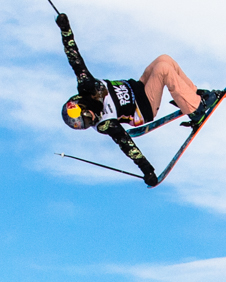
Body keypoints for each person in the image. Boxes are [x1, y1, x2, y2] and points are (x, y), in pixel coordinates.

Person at [56, 11, 217, 185]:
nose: (91, 122)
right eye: (86, 125)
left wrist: (65, 29)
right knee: (163, 69)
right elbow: (126, 145)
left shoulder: (86, 85)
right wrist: (147, 170)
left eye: (87, 119)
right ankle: (195, 110)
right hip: (143, 108)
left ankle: (193, 96)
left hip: (139, 87)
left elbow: (73, 56)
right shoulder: (104, 123)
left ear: (83, 106)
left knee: (164, 59)